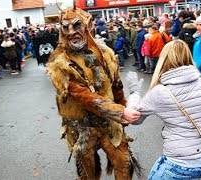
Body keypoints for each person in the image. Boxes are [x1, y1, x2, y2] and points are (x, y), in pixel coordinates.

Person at [47, 7, 141, 179]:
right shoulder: (60, 63)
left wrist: (125, 108)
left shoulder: (106, 54)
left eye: (76, 26)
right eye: (65, 27)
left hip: (108, 122)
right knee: (88, 174)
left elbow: (116, 88)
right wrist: (120, 112)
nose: (70, 32)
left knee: (123, 164)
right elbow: (84, 96)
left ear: (89, 25)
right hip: (82, 128)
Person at [125, 40, 201, 179]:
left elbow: (135, 119)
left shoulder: (160, 92)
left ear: (164, 59)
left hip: (180, 162)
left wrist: (134, 93)